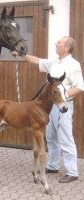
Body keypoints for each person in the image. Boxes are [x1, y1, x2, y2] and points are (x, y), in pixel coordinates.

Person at [11, 36, 84, 183]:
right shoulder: (54, 61)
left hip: (63, 106)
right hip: (50, 108)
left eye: (59, 42)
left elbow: (80, 87)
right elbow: (38, 61)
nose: (56, 44)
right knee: (51, 137)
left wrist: (61, 96)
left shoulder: (74, 65)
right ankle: (53, 165)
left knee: (65, 138)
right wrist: (22, 55)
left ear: (67, 48)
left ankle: (72, 172)